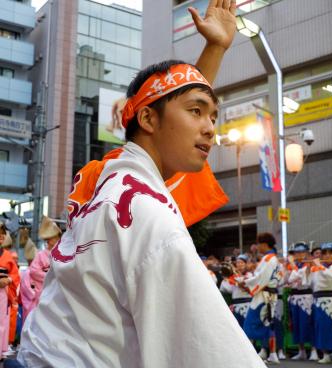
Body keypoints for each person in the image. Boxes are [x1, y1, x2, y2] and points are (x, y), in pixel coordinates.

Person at [15, 2, 266, 368]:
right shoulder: (146, 211)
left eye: (214, 116)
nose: (211, 128)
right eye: (197, 113)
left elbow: (166, 119)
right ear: (146, 118)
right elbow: (216, 350)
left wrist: (215, 50)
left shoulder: (111, 180)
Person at [243, 232, 281, 364]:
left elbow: (262, 278)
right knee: (266, 324)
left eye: (258, 243)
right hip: (267, 294)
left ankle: (256, 354)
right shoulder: (271, 258)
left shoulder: (270, 258)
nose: (257, 246)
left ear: (264, 244)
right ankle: (270, 353)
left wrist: (246, 281)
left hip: (264, 295)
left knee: (252, 323)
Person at [311, 242, 332, 364]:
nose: (328, 256)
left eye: (331, 254)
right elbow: (311, 283)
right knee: (322, 327)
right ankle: (325, 353)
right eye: (325, 254)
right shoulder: (317, 268)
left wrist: (319, 266)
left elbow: (331, 277)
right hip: (319, 300)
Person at [287, 242, 316, 361]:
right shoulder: (294, 266)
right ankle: (301, 350)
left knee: (308, 323)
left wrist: (293, 266)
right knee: (296, 324)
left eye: (302, 252)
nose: (299, 255)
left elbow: (304, 280)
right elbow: (288, 280)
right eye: (297, 253)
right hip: (294, 297)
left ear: (306, 253)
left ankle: (314, 350)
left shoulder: (308, 265)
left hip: (306, 297)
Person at [0, 223, 20, 361]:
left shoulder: (7, 255)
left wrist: (9, 280)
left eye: (2, 233)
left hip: (2, 293)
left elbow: (16, 275)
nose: (1, 236)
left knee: (1, 322)